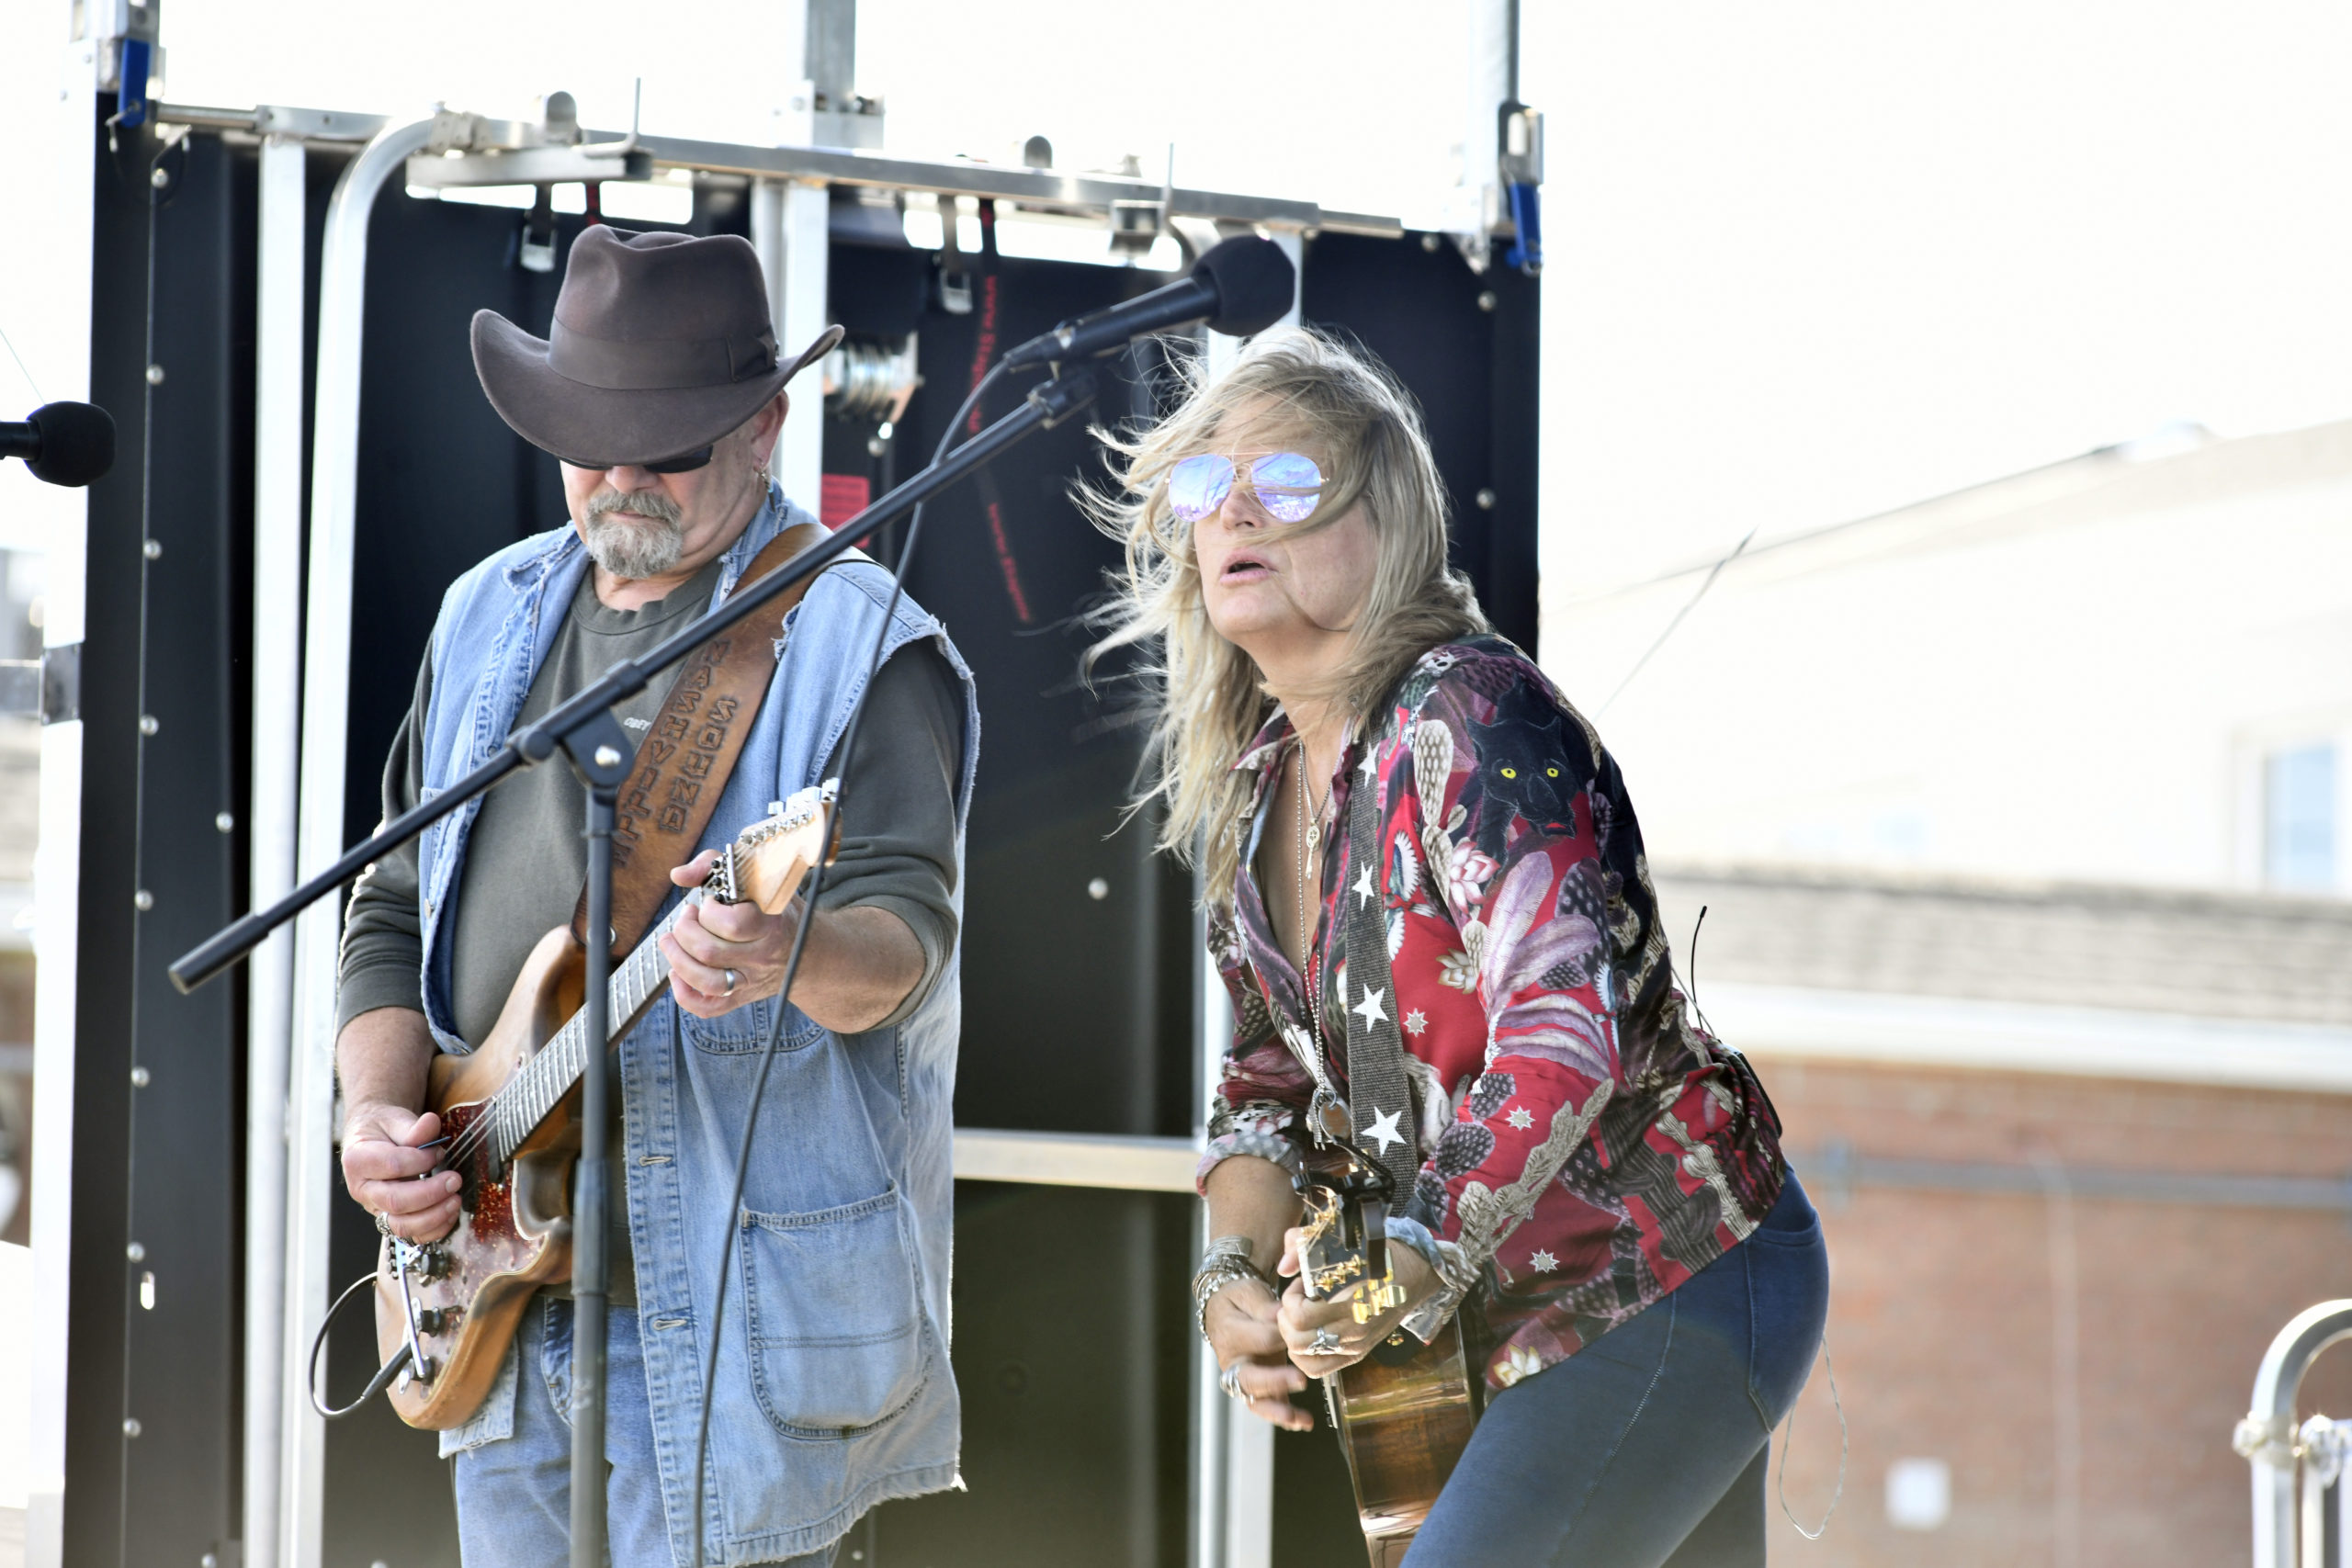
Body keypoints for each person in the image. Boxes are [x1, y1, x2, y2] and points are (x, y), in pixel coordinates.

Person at [1088, 327, 1829, 1566]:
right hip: (1485, 1330)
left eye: (1282, 480)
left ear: (1386, 522)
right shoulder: (1257, 785)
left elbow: (1563, 1027)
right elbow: (1263, 1084)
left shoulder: (1469, 712)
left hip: (1666, 1277)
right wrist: (1231, 1277)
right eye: (1206, 488)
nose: (1233, 514)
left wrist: (1405, 1258)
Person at [333, 227, 974, 1568]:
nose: (620, 477)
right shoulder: (481, 615)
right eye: (586, 436)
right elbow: (387, 909)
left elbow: (903, 944)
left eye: (667, 444)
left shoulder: (858, 642)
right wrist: (382, 1118)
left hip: (735, 1342)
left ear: (766, 427)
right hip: (500, 1305)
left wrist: (782, 945)